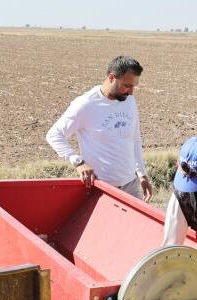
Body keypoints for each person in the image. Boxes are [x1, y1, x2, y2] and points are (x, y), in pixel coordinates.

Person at [46, 55, 153, 201]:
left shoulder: (129, 100)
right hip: (102, 189)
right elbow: (54, 135)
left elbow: (134, 138)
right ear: (111, 77)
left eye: (134, 86)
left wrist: (141, 173)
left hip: (131, 185)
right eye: (127, 85)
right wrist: (78, 162)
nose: (131, 92)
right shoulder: (85, 104)